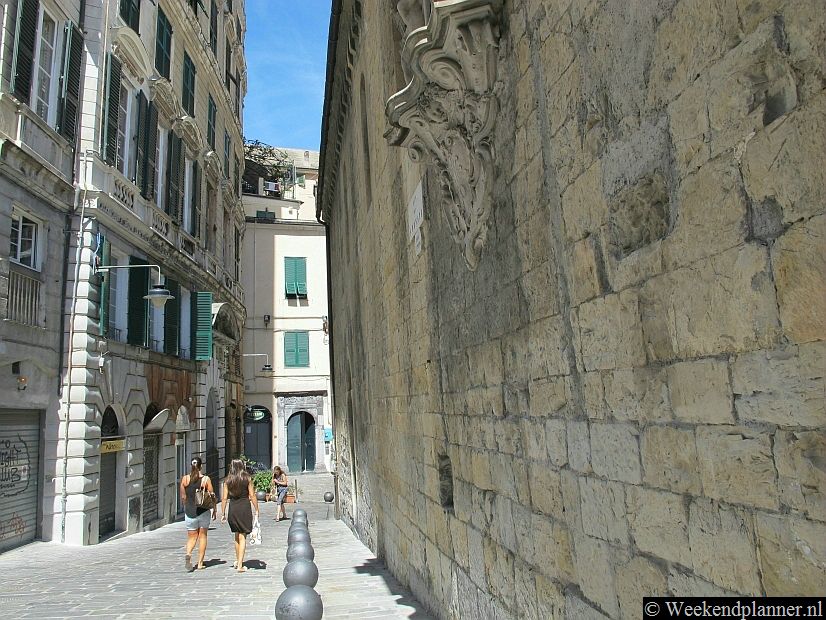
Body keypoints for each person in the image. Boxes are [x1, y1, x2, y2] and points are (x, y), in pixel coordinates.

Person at [220, 459, 259, 572]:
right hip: (244, 508)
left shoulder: (228, 480)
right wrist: (256, 509)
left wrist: (222, 513)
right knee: (242, 536)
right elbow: (252, 495)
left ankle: (238, 560)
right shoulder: (247, 478)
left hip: (233, 509)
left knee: (237, 536)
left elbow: (224, 498)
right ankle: (240, 565)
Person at [179, 456, 216, 572]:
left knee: (191, 537)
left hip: (190, 512)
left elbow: (183, 497)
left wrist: (188, 505)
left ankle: (189, 554)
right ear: (201, 466)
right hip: (203, 511)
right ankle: (200, 563)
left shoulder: (184, 479)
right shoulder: (205, 479)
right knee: (203, 536)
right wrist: (214, 508)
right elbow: (212, 495)